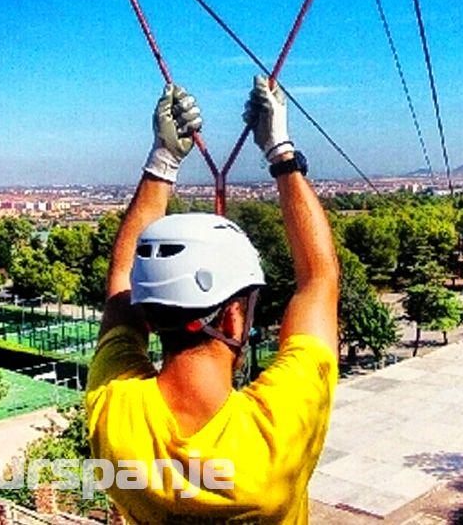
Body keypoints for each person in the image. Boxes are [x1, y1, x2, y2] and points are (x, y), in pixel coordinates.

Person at [86, 77, 340, 524]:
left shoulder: (116, 417)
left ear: (148, 311)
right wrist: (281, 151)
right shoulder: (272, 439)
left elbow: (121, 290)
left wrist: (163, 159)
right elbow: (318, 280)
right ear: (233, 317)